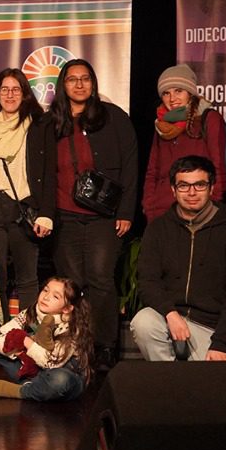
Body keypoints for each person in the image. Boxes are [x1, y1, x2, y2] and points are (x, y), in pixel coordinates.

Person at [48, 58, 137, 367]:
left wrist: (126, 211)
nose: (80, 84)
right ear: (63, 85)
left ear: (93, 83)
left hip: (104, 216)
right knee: (73, 283)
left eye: (85, 78)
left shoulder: (113, 117)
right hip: (64, 215)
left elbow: (130, 164)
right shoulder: (51, 122)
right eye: (72, 79)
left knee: (100, 280)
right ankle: (77, 347)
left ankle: (104, 346)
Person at [129, 156, 226, 364]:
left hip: (212, 329)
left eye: (199, 185)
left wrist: (221, 342)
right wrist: (170, 313)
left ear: (211, 188)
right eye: (184, 185)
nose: (192, 192)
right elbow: (148, 281)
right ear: (173, 190)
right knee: (143, 323)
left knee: (217, 388)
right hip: (170, 320)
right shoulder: (159, 228)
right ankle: (169, 381)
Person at [0, 68, 54, 314]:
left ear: (25, 94)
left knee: (27, 277)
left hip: (23, 207)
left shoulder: (39, 125)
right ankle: (0, 337)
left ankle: (27, 338)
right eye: (4, 89)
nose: (9, 95)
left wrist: (46, 213)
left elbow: (49, 173)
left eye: (15, 89)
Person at [143, 64, 226, 221]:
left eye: (178, 91)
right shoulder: (161, 125)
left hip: (197, 211)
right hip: (162, 212)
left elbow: (220, 168)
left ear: (190, 92)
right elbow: (152, 171)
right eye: (166, 93)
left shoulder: (209, 119)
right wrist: (149, 207)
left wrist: (212, 208)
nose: (172, 98)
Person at [0, 277, 92, 402]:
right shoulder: (30, 313)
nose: (46, 297)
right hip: (35, 369)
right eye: (45, 290)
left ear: (67, 308)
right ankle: (36, 387)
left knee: (60, 379)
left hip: (61, 370)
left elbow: (52, 363)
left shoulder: (71, 327)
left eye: (56, 297)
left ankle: (23, 391)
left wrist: (27, 342)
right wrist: (19, 351)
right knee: (0, 347)